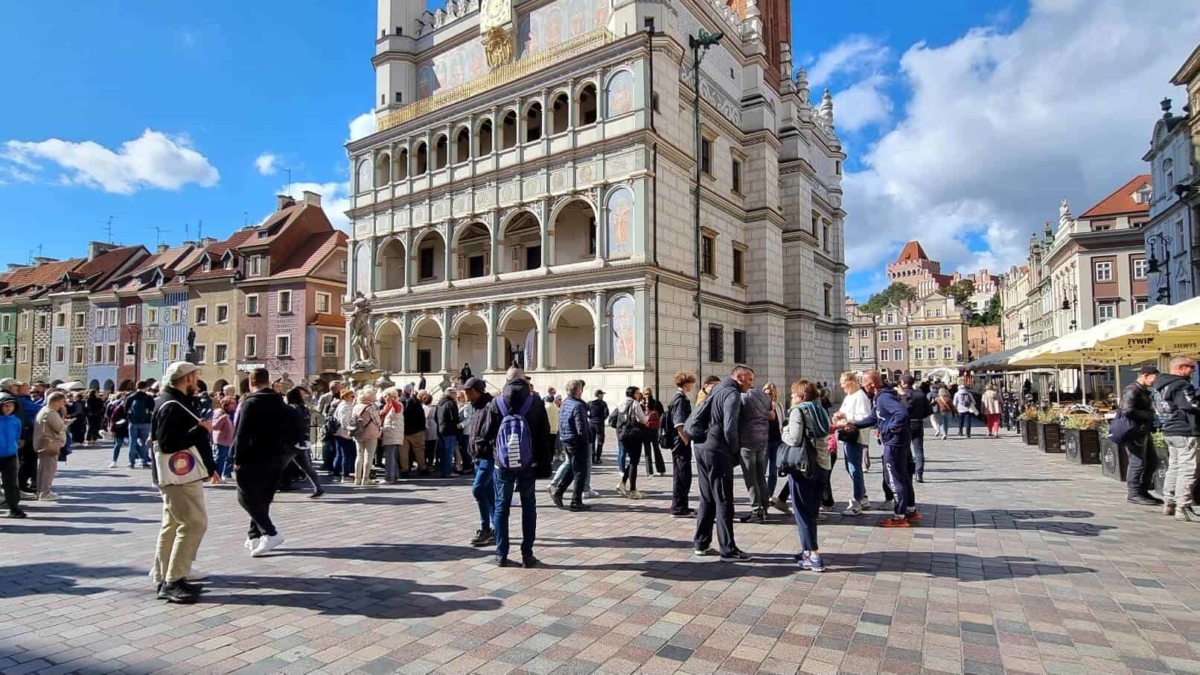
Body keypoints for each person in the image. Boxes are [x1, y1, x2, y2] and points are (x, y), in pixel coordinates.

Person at [151, 361, 218, 603]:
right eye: (195, 376)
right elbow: (168, 443)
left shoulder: (169, 401)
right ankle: (174, 580)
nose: (197, 381)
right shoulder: (172, 405)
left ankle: (164, 574)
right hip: (179, 476)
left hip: (174, 476)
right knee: (194, 523)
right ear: (187, 378)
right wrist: (201, 430)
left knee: (172, 524)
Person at [481, 366, 547, 568]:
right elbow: (544, 434)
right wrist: (543, 464)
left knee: (502, 506)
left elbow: (486, 433)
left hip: (503, 463)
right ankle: (527, 554)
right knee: (529, 505)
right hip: (528, 462)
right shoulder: (535, 401)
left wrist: (496, 450)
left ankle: (501, 553)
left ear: (506, 380)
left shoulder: (497, 402)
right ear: (524, 381)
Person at [232, 367, 298, 557]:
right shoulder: (281, 403)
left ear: (251, 382)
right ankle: (253, 535)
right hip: (276, 457)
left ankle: (271, 533)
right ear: (268, 382)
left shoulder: (250, 403)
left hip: (253, 457)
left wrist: (237, 458)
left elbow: (241, 434)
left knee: (245, 497)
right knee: (263, 497)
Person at [836, 370, 915, 527]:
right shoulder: (881, 396)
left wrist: (890, 428)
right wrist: (854, 425)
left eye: (865, 384)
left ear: (871, 384)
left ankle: (900, 517)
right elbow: (873, 418)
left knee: (893, 479)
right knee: (904, 476)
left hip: (894, 443)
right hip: (899, 442)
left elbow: (902, 414)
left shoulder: (884, 397)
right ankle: (910, 509)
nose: (864, 387)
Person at [691, 365, 754, 562]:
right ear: (739, 376)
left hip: (701, 446)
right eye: (749, 379)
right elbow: (729, 427)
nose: (751, 384)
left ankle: (701, 543)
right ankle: (728, 549)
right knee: (724, 500)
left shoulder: (717, 389)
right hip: (717, 450)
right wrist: (735, 451)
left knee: (707, 497)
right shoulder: (732, 395)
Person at [784, 380, 832, 572]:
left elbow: (794, 439)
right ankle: (806, 549)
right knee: (811, 510)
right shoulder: (820, 408)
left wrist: (784, 432)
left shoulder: (799, 411)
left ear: (801, 396)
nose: (792, 398)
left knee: (802, 511)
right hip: (823, 463)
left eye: (794, 394)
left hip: (804, 465)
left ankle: (813, 555)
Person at [1154, 356, 1200, 521]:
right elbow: (1191, 405)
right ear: (1180, 367)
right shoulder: (1181, 384)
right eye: (1191, 367)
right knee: (1187, 469)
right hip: (1184, 430)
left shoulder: (1160, 386)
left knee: (1174, 467)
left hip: (1169, 429)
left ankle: (1169, 502)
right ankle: (1184, 506)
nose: (1193, 371)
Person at [1121, 366, 1161, 506]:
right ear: (1146, 375)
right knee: (1137, 462)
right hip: (1134, 431)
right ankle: (1134, 493)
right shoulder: (1132, 389)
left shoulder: (1143, 390)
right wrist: (1149, 415)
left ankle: (1143, 491)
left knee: (1152, 461)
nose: (1156, 381)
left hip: (1143, 430)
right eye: (1155, 377)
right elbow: (1127, 410)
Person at [463, 378, 495, 546]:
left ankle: (486, 528)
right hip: (477, 455)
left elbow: (490, 431)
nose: (465, 393)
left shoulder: (490, 406)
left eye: (468, 391)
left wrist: (483, 444)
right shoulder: (475, 406)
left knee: (478, 489)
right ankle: (496, 528)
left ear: (476, 391)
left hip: (487, 455)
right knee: (489, 493)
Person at [552, 380, 592, 511]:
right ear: (578, 390)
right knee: (581, 471)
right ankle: (576, 501)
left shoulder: (565, 403)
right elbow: (581, 427)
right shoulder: (578, 406)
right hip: (577, 441)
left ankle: (558, 492)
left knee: (572, 468)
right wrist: (587, 440)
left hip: (566, 439)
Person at [836, 372, 872, 515]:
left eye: (843, 382)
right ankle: (863, 496)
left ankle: (857, 501)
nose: (841, 385)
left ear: (851, 382)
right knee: (850, 467)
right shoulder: (850, 396)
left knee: (854, 469)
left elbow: (865, 417)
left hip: (855, 437)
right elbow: (844, 412)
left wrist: (845, 417)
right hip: (847, 435)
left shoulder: (860, 396)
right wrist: (839, 416)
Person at [737, 382, 772, 523]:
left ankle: (756, 511)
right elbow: (771, 414)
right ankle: (765, 507)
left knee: (750, 478)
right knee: (760, 476)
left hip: (747, 440)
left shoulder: (742, 397)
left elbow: (737, 417)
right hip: (762, 439)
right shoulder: (764, 396)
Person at [665, 372, 696, 518]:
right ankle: (678, 508)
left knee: (684, 474)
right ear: (686, 383)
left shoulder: (680, 398)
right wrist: (686, 439)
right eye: (691, 383)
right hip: (680, 442)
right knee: (682, 475)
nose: (692, 385)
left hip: (679, 442)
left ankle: (683, 506)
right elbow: (679, 424)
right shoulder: (680, 400)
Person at [284, 387, 324, 498]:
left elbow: (297, 426)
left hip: (294, 442)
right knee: (307, 467)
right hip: (301, 441)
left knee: (279, 467)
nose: (304, 396)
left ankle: (267, 492)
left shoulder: (293, 408)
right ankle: (318, 488)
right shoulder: (302, 408)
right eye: (302, 394)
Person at [614, 386, 649, 498]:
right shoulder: (635, 404)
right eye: (638, 393)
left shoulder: (620, 403)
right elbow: (642, 420)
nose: (639, 395)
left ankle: (622, 483)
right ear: (633, 394)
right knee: (634, 462)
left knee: (632, 461)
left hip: (622, 435)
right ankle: (633, 490)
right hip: (634, 435)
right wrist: (648, 416)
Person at [33, 392, 68, 501]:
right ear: (56, 401)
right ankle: (45, 493)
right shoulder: (51, 413)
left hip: (42, 443)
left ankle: (41, 491)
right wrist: (66, 424)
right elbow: (59, 428)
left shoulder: (43, 410)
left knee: (43, 469)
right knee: (49, 469)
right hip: (49, 444)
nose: (63, 404)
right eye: (62, 402)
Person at [900, 376, 932, 483]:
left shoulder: (899, 396)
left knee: (904, 448)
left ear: (903, 382)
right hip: (917, 423)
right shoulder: (920, 395)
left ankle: (907, 471)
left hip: (904, 424)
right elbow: (929, 410)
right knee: (918, 449)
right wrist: (920, 416)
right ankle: (919, 474)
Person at [0, 394, 26, 518]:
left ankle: (14, 509)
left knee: (11, 484)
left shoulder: (16, 421)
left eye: (11, 406)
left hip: (10, 456)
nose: (9, 408)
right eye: (6, 406)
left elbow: (17, 437)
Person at [351, 387, 382, 486]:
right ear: (370, 396)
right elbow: (378, 421)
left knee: (359, 455)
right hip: (371, 433)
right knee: (369, 456)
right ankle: (366, 478)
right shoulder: (371, 407)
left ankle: (357, 479)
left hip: (358, 433)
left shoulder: (356, 406)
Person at [125, 381, 156, 469]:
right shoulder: (148, 397)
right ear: (145, 387)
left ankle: (131, 462)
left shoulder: (130, 397)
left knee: (132, 442)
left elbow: (125, 408)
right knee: (144, 442)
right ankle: (144, 461)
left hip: (133, 422)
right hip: (146, 422)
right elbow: (152, 408)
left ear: (136, 387)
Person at [379, 387, 406, 483]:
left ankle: (389, 477)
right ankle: (394, 476)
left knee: (390, 457)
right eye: (385, 396)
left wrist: (392, 400)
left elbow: (397, 409)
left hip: (393, 433)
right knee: (392, 456)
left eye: (388, 396)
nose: (385, 398)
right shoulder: (387, 406)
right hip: (389, 433)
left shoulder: (398, 404)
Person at [332, 390, 358, 482]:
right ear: (345, 396)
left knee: (340, 454)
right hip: (343, 433)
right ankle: (344, 475)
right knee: (345, 455)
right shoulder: (345, 407)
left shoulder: (345, 405)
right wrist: (352, 429)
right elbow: (344, 422)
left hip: (341, 433)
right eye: (352, 396)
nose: (354, 398)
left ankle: (337, 474)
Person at [402, 388, 428, 476]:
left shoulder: (411, 401)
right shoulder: (414, 403)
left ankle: (405, 469)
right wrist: (421, 428)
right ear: (422, 396)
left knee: (404, 451)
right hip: (415, 431)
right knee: (419, 450)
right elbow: (412, 416)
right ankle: (422, 467)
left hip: (406, 430)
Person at [211, 396, 236, 481]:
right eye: (232, 403)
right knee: (219, 460)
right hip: (221, 441)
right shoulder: (219, 412)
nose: (234, 405)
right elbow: (214, 426)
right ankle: (216, 477)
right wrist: (223, 417)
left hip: (228, 441)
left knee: (227, 459)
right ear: (226, 404)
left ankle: (225, 474)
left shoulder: (228, 413)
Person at [643, 388, 666, 477]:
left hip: (645, 429)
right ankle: (661, 469)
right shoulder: (657, 403)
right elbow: (662, 415)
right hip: (655, 429)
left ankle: (649, 472)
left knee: (647, 451)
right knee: (656, 449)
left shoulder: (642, 404)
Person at [107, 393, 130, 469]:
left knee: (133, 444)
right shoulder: (119, 408)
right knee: (118, 444)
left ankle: (137, 459)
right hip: (119, 428)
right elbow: (113, 419)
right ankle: (114, 461)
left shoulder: (129, 407)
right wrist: (112, 429)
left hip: (127, 427)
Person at [587, 390, 609, 464]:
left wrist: (590, 417)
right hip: (600, 425)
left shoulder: (589, 403)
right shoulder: (603, 403)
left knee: (592, 441)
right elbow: (607, 413)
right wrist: (602, 419)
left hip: (591, 424)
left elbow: (585, 411)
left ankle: (592, 457)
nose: (603, 396)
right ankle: (598, 458)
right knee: (600, 441)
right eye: (602, 394)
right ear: (598, 395)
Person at [421, 392, 438, 472]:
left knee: (425, 448)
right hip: (433, 427)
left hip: (424, 428)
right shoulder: (434, 408)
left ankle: (424, 464)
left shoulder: (422, 407)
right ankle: (430, 464)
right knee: (431, 448)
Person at [544, 394, 561, 467]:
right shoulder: (557, 408)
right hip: (555, 429)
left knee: (546, 446)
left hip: (546, 429)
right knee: (552, 445)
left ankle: (546, 460)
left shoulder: (545, 407)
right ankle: (551, 459)